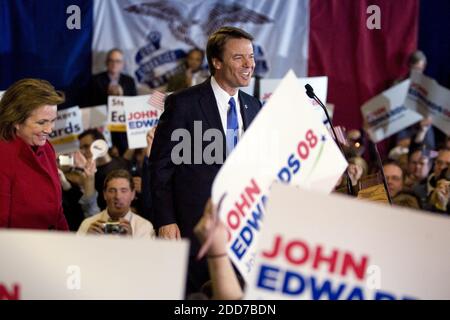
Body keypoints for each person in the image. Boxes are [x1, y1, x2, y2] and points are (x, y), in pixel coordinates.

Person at [150, 26, 262, 294]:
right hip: (194, 227)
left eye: (251, 56)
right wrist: (165, 220)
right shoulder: (183, 103)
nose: (249, 64)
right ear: (216, 61)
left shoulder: (255, 106)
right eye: (239, 58)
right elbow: (161, 167)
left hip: (241, 234)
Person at [0, 78, 69, 230]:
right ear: (16, 121)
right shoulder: (3, 156)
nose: (49, 129)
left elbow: (57, 212)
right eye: (41, 122)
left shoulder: (47, 148)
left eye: (53, 121)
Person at [87, 48, 137, 155]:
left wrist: (121, 96)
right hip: (103, 128)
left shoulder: (129, 81)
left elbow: (134, 106)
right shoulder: (96, 80)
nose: (114, 64)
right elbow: (91, 106)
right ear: (107, 62)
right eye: (111, 60)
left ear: (122, 64)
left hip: (124, 131)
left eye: (118, 61)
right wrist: (108, 95)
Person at [77, 169, 155, 238]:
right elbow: (75, 253)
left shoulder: (144, 227)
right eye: (112, 190)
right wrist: (86, 241)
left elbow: (148, 255)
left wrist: (131, 243)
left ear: (133, 194)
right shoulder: (88, 224)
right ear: (104, 194)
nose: (118, 196)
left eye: (123, 191)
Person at [78, 129, 130, 210]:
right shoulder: (88, 174)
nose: (83, 151)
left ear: (101, 144)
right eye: (81, 148)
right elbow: (89, 206)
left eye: (86, 146)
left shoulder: (124, 163)